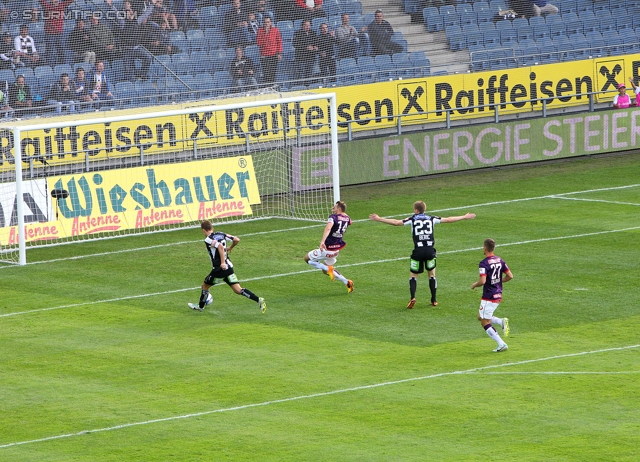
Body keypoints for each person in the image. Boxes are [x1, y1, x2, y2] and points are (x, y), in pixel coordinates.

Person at [369, 201, 475, 308]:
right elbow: (449, 219)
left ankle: (413, 297)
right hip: (430, 251)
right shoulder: (432, 218)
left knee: (413, 276)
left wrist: (379, 219)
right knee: (432, 275)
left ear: (416, 210)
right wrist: (464, 216)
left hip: (418, 251)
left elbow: (396, 222)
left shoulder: (412, 219)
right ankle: (433, 300)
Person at [188, 220, 267, 313]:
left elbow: (220, 247)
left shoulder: (208, 239)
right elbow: (236, 239)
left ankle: (200, 307)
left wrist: (222, 263)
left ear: (203, 231)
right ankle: (258, 300)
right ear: (212, 228)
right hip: (229, 267)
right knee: (238, 290)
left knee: (205, 286)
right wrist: (231, 247)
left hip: (219, 269)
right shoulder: (221, 234)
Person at [470, 238, 513, 352]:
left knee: (484, 321)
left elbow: (483, 281)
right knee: (481, 316)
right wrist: (499, 281)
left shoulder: (484, 263)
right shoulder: (500, 260)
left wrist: (474, 284)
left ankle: (501, 343)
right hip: (498, 294)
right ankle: (500, 321)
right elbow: (510, 276)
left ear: (485, 248)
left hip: (488, 296)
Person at [304, 201, 354, 293]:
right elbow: (351, 222)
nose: (332, 208)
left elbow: (328, 228)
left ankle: (328, 269)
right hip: (336, 250)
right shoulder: (347, 218)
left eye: (334, 207)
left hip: (327, 249)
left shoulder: (333, 217)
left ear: (339, 209)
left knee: (307, 259)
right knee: (325, 271)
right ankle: (346, 281)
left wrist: (322, 241)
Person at [40, 0, 74, 66]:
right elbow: (41, 1)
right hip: (49, 35)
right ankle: (49, 67)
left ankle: (63, 66)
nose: (56, 1)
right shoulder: (47, 6)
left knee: (62, 51)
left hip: (59, 34)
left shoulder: (62, 5)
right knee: (50, 52)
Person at [256, 16, 282, 84]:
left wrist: (279, 53)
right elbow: (259, 43)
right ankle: (267, 87)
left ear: (270, 22)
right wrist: (265, 34)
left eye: (268, 22)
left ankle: (272, 87)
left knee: (272, 73)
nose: (266, 24)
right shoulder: (260, 31)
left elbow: (279, 42)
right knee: (266, 73)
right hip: (264, 56)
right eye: (265, 22)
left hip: (273, 55)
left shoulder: (275, 30)